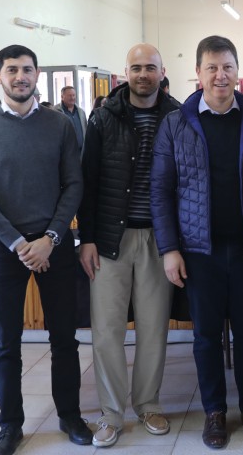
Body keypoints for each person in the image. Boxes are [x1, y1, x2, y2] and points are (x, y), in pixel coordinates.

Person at [0, 44, 92, 455]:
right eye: (12, 70)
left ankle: (69, 415)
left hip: (54, 245)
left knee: (65, 338)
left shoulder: (59, 125)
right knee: (7, 344)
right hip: (5, 249)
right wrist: (20, 244)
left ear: (37, 75)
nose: (21, 76)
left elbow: (73, 185)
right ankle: (10, 426)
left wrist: (50, 239)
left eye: (28, 69)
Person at [150, 35, 243, 450]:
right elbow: (161, 191)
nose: (220, 75)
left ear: (238, 72)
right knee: (206, 336)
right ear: (198, 74)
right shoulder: (177, 123)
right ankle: (215, 412)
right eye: (212, 68)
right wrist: (169, 249)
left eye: (227, 67)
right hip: (197, 252)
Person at [77, 43, 180, 447]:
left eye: (150, 68)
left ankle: (149, 403)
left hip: (160, 238)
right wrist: (86, 238)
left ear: (162, 72)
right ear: (125, 73)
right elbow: (88, 182)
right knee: (107, 331)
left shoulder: (177, 116)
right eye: (136, 68)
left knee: (154, 328)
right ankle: (110, 414)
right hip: (109, 239)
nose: (143, 74)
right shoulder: (103, 118)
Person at [59, 85, 88, 152]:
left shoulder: (81, 112)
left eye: (73, 95)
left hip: (81, 152)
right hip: (64, 153)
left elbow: (85, 130)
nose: (72, 98)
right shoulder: (55, 111)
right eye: (69, 95)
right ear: (62, 97)